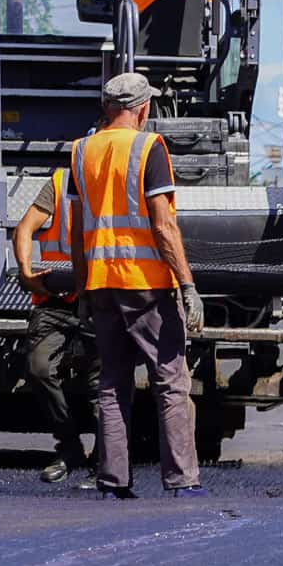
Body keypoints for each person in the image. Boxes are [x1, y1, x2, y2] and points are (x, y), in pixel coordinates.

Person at [69, 71, 203, 498]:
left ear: (107, 108)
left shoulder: (81, 150)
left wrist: (82, 288)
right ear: (143, 109)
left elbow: (76, 230)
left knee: (112, 383)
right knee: (170, 382)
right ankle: (181, 480)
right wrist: (187, 285)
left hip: (102, 283)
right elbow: (163, 225)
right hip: (146, 285)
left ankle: (113, 481)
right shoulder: (148, 147)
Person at [11, 156, 98, 484]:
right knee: (38, 368)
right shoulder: (62, 182)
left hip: (100, 295)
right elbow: (25, 227)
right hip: (57, 299)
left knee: (102, 383)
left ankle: (105, 461)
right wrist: (26, 271)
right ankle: (70, 448)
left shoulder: (119, 183)